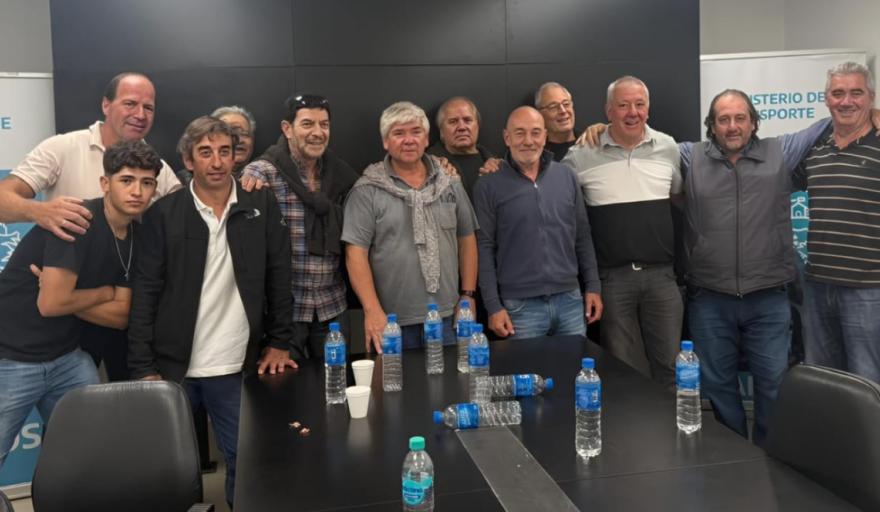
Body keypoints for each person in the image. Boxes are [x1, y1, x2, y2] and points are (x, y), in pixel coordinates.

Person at [127, 117, 295, 507]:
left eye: (224, 151)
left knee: (245, 463)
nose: (216, 162)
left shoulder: (259, 203)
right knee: (169, 469)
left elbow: (279, 274)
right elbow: (145, 294)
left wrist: (280, 341)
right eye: (205, 152)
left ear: (236, 157)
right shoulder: (163, 214)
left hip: (234, 365)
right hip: (174, 368)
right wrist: (142, 367)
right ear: (188, 160)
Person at [0, 71, 180, 381]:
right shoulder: (63, 147)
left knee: (123, 399)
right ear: (106, 105)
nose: (140, 114)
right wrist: (40, 211)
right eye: (130, 103)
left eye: (148, 107)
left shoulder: (156, 167)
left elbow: (184, 218)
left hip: (114, 302)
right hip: (56, 323)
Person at [0, 140, 162, 468]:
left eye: (146, 183)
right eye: (126, 180)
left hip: (68, 357)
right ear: (105, 183)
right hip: (11, 358)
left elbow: (121, 316)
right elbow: (50, 305)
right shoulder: (78, 220)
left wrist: (65, 297)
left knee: (90, 454)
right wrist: (104, 293)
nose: (137, 192)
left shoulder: (138, 236)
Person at [680, 90, 827, 446]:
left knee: (773, 383)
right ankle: (735, 454)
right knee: (717, 384)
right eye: (723, 119)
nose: (732, 126)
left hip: (768, 298)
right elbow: (641, 141)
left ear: (754, 122)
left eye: (740, 118)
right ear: (711, 125)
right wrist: (598, 130)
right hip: (710, 298)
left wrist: (871, 112)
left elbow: (827, 124)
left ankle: (767, 455)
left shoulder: (781, 152)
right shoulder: (689, 156)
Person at [562, 76, 682, 389]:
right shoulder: (582, 153)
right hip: (613, 281)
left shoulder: (668, 147)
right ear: (609, 111)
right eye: (623, 105)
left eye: (639, 104)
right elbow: (550, 185)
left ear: (648, 109)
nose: (632, 112)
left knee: (671, 368)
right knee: (625, 372)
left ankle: (670, 423)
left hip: (662, 277)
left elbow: (678, 196)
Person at [342, 101, 478, 352]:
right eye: (398, 133)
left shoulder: (450, 183)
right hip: (391, 322)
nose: (408, 140)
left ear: (426, 139)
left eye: (416, 132)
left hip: (450, 317)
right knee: (396, 380)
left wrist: (468, 295)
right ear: (385, 141)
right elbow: (355, 254)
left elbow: (466, 238)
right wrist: (372, 311)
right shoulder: (367, 190)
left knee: (453, 378)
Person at [242, 94, 359, 360]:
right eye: (307, 124)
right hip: (284, 316)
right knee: (282, 386)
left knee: (337, 383)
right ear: (287, 129)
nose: (317, 132)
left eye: (324, 124)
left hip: (332, 307)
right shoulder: (264, 174)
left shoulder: (341, 174)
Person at [474, 106, 601, 339]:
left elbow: (582, 236)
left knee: (573, 363)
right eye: (520, 133)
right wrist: (493, 306)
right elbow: (484, 248)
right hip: (519, 307)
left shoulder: (567, 176)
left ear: (545, 136)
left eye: (535, 132)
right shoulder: (488, 186)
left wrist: (593, 286)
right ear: (507, 138)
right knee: (527, 366)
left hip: (570, 301)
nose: (528, 141)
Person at [795, 62, 880, 384]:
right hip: (818, 286)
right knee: (823, 380)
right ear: (826, 98)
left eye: (856, 93)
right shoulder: (813, 149)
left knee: (867, 382)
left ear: (871, 97)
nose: (846, 101)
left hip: (869, 289)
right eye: (838, 93)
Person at [427, 96, 501, 197]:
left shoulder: (497, 165)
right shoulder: (428, 168)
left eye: (467, 120)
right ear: (441, 131)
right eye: (453, 121)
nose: (462, 127)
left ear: (477, 126)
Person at [177, 105, 256, 185]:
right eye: (229, 132)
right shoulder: (180, 182)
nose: (238, 140)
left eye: (244, 134)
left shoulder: (259, 174)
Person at [535, 82, 577, 161]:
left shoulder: (590, 142)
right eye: (553, 107)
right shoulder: (537, 157)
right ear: (539, 114)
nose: (563, 111)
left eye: (566, 104)